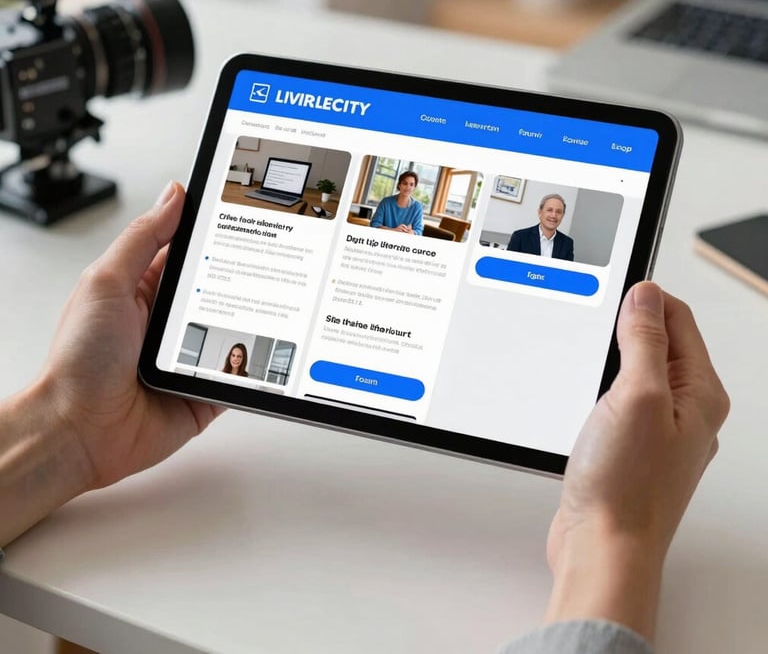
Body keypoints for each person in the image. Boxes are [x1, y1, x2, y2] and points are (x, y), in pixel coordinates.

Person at [0, 182, 729, 654]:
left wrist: (72, 426)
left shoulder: (565, 252)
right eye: (546, 210)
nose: (551, 220)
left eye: (557, 213)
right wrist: (615, 535)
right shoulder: (439, 224)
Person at [508, 193, 574, 261]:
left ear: (562, 216)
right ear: (540, 212)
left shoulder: (567, 243)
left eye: (558, 212)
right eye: (549, 210)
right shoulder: (519, 237)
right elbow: (508, 265)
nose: (554, 215)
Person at [370, 170, 424, 235]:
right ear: (399, 185)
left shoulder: (417, 207)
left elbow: (419, 231)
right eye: (405, 183)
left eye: (411, 185)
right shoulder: (385, 202)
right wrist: (393, 230)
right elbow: (374, 224)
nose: (408, 187)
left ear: (414, 188)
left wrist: (412, 232)